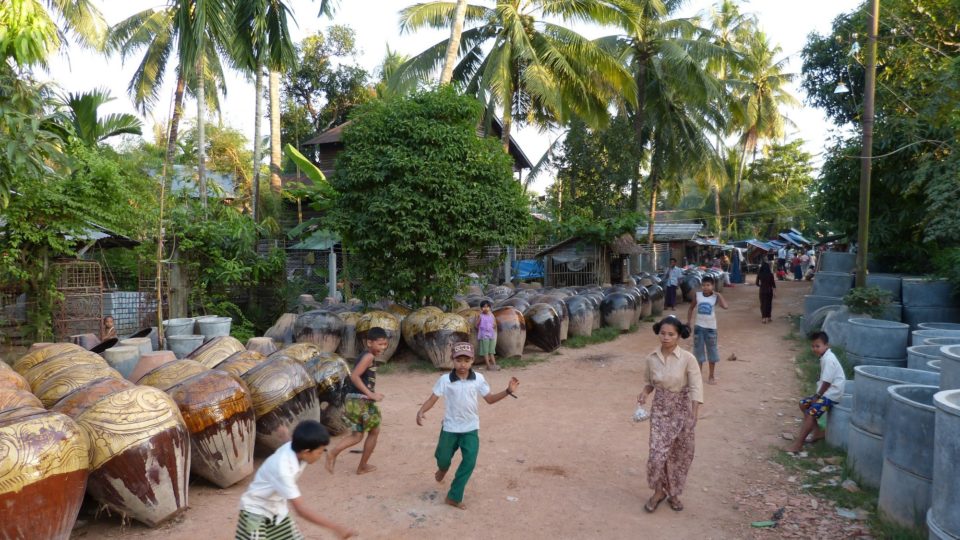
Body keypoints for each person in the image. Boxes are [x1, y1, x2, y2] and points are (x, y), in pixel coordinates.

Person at [415, 342, 520, 510]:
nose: (462, 364)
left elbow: (490, 399)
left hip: (470, 429)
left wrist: (508, 391)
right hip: (450, 428)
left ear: (472, 361)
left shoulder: (478, 379)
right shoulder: (445, 380)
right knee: (442, 458)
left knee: (469, 461)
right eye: (458, 360)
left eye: (466, 360)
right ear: (452, 360)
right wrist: (421, 411)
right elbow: (433, 398)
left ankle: (454, 496)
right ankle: (442, 468)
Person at [236, 420, 356, 540]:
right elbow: (301, 510)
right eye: (319, 452)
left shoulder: (297, 448)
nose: (320, 456)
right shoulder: (283, 469)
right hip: (255, 511)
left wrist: (285, 436)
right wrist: (336, 528)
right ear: (306, 452)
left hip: (276, 508)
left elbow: (290, 442)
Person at [637, 316, 703, 513]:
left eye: (671, 334)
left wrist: (694, 413)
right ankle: (658, 491)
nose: (666, 338)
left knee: (679, 454)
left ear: (678, 336)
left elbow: (696, 386)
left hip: (682, 410)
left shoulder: (688, 359)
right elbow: (650, 383)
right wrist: (644, 393)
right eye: (663, 333)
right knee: (657, 454)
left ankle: (673, 493)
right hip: (660, 411)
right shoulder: (651, 358)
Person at [325, 327, 388, 475]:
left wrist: (370, 393)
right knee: (374, 431)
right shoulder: (368, 357)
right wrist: (370, 395)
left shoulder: (365, 355)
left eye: (385, 344)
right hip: (361, 401)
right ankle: (362, 466)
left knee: (358, 435)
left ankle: (333, 454)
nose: (383, 347)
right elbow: (354, 376)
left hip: (353, 400)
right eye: (380, 344)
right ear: (369, 342)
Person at [786, 332, 846, 454]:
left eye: (817, 346)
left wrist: (817, 396)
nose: (815, 349)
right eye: (813, 346)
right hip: (827, 393)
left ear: (826, 345)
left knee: (811, 412)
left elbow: (827, 383)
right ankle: (817, 432)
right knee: (803, 404)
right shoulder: (825, 357)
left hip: (832, 394)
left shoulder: (829, 359)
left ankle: (798, 444)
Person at [687, 275, 728, 385]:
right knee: (698, 352)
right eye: (704, 285)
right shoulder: (698, 295)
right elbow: (691, 308)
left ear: (713, 286)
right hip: (699, 328)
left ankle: (711, 376)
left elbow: (725, 306)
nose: (705, 287)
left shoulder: (715, 297)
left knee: (712, 352)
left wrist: (719, 294)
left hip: (711, 328)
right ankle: (698, 376)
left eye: (708, 285)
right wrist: (688, 322)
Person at [476, 300, 499, 371]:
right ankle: (488, 366)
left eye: (487, 307)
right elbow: (476, 325)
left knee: (491, 351)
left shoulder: (492, 315)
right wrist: (482, 328)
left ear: (490, 308)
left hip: (491, 335)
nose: (485, 308)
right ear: (481, 308)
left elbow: (495, 324)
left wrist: (493, 326)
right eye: (484, 307)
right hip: (484, 335)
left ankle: (494, 365)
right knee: (486, 351)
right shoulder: (480, 316)